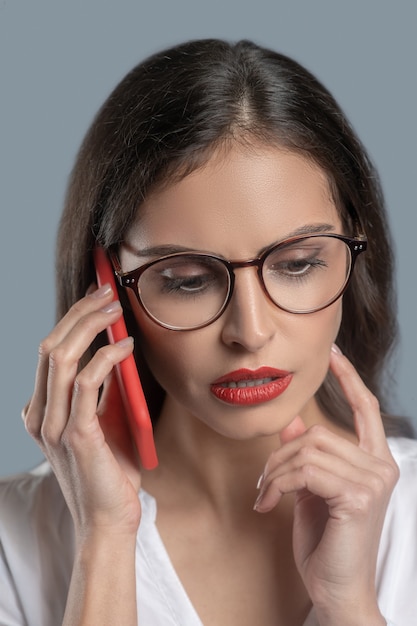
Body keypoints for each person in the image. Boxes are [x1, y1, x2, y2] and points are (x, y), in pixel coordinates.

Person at [0, 38, 416, 626]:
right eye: (189, 280)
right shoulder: (13, 542)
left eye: (297, 265)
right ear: (109, 288)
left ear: (355, 255)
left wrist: (350, 606)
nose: (249, 331)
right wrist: (106, 540)